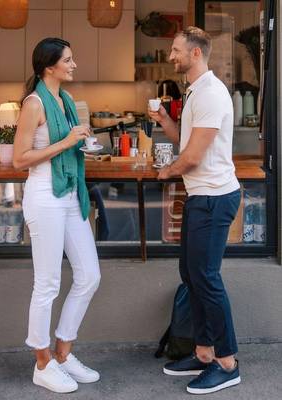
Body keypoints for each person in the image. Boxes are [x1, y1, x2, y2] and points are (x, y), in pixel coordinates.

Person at [149, 27, 241, 395]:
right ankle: (203, 352)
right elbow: (187, 142)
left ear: (196, 54)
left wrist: (166, 171)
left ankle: (227, 362)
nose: (171, 56)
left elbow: (192, 157)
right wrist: (166, 124)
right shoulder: (194, 92)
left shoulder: (212, 94)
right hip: (200, 196)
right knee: (192, 273)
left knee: (206, 277)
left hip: (215, 197)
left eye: (175, 51)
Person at [13, 38, 101, 394]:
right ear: (50, 66)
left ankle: (63, 352)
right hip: (45, 196)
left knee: (90, 275)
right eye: (68, 59)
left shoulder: (65, 102)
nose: (74, 64)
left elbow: (63, 142)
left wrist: (80, 141)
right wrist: (67, 143)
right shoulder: (34, 103)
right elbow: (20, 159)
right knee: (47, 284)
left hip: (68, 195)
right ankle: (42, 362)